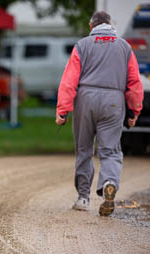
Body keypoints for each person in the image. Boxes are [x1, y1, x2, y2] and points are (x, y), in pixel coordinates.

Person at [55, 11, 144, 216]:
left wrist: (63, 110)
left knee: (84, 149)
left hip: (85, 98)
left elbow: (69, 80)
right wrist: (134, 111)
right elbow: (134, 82)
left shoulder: (82, 45)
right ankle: (109, 183)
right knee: (110, 150)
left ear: (91, 25)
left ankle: (83, 198)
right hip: (114, 101)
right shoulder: (124, 47)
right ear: (111, 25)